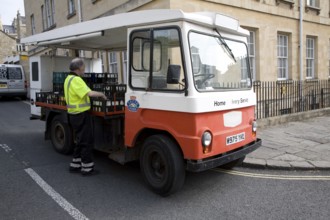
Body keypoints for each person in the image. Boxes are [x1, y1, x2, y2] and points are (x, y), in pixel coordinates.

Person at [64, 58, 107, 176]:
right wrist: (102, 94)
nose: (84, 69)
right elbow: (90, 93)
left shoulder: (68, 78)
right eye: (84, 67)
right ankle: (87, 169)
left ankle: (75, 165)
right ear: (79, 68)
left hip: (73, 114)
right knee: (86, 142)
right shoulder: (77, 80)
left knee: (80, 140)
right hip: (81, 114)